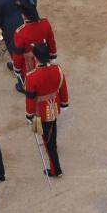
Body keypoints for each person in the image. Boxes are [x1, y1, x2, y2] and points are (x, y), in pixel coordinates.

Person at [23, 44, 68, 176]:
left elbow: (30, 99)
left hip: (40, 112)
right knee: (50, 131)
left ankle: (56, 170)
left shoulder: (31, 77)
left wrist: (29, 115)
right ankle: (50, 143)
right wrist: (64, 103)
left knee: (49, 142)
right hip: (54, 106)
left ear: (36, 58)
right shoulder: (57, 69)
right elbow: (63, 88)